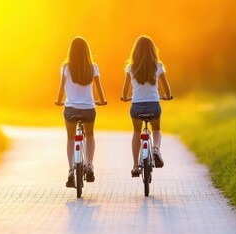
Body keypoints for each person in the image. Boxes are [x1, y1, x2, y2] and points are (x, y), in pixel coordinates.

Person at [55, 36, 107, 188]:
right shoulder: (93, 67)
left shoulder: (65, 67)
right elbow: (99, 90)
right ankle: (89, 165)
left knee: (71, 138)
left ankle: (71, 169)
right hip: (88, 109)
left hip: (70, 109)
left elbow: (61, 89)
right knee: (89, 135)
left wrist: (59, 101)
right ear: (87, 51)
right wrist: (102, 101)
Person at [120, 35, 173, 177]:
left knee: (137, 132)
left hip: (136, 106)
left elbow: (125, 91)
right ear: (152, 50)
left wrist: (125, 98)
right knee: (156, 129)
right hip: (153, 105)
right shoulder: (158, 66)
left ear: (135, 51)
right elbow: (167, 89)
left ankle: (136, 166)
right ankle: (156, 149)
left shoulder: (130, 67)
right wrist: (167, 96)